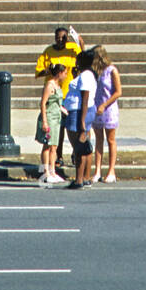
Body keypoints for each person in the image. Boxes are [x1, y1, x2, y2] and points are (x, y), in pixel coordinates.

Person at [35, 26, 85, 166]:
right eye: (58, 38)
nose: (61, 40)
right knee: (58, 128)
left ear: (67, 38)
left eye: (63, 37)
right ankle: (58, 156)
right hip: (54, 93)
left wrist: (80, 42)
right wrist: (51, 70)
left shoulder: (72, 48)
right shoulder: (48, 52)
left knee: (72, 127)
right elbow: (38, 72)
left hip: (70, 94)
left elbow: (83, 59)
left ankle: (76, 154)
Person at [64, 50, 97, 188]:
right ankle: (86, 177)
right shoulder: (88, 74)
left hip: (79, 112)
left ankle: (79, 180)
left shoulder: (85, 76)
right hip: (84, 111)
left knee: (78, 147)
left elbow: (84, 99)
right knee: (85, 146)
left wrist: (82, 122)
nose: (75, 62)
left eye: (77, 60)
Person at [91, 45, 122, 183]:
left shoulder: (112, 71)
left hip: (108, 108)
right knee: (98, 140)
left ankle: (111, 171)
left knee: (110, 139)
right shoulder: (95, 71)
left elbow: (118, 92)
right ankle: (97, 170)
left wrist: (105, 104)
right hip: (97, 107)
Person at [36, 63, 66, 185]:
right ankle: (45, 172)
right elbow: (43, 103)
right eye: (64, 73)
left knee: (54, 146)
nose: (66, 75)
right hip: (48, 117)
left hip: (56, 118)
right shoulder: (49, 85)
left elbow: (57, 102)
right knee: (47, 146)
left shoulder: (58, 85)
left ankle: (53, 171)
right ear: (59, 73)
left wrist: (62, 109)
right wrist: (44, 121)